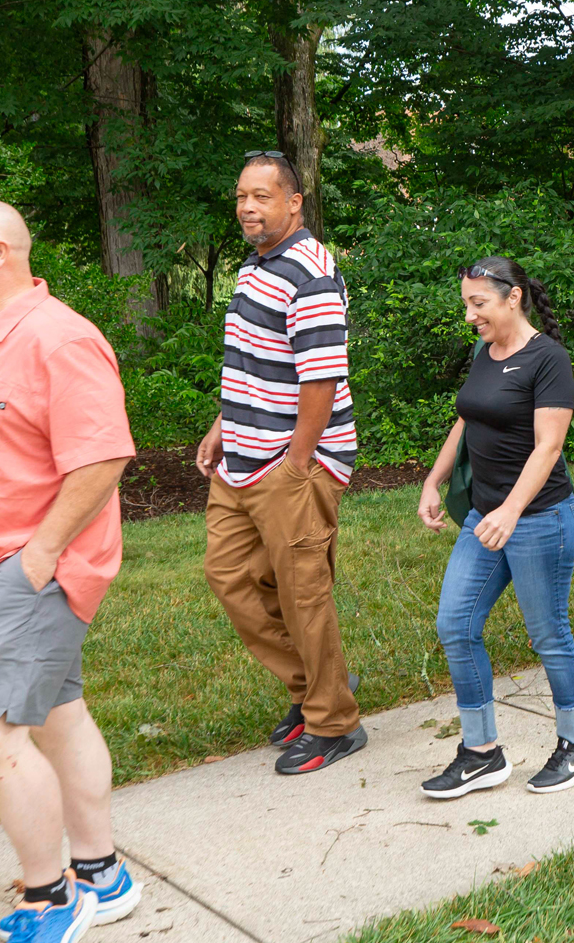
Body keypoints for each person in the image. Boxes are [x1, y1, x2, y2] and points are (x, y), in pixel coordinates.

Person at [0, 200, 140, 943]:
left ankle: (53, 898)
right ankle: (102, 872)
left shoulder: (58, 339)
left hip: (32, 566)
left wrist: (38, 559)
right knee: (56, 714)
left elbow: (103, 456)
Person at [195, 152, 365, 775]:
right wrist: (223, 425)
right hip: (241, 457)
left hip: (293, 463)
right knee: (231, 577)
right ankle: (313, 687)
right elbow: (251, 359)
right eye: (242, 196)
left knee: (302, 594)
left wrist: (296, 464)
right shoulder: (256, 264)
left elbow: (321, 379)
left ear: (294, 202)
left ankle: (333, 723)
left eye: (261, 197)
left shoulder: (310, 272)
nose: (247, 207)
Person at [417, 257, 574, 798]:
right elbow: (466, 419)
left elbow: (550, 446)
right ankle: (482, 753)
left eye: (479, 304)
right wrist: (434, 479)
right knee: (456, 625)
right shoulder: (485, 352)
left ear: (513, 297)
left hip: (540, 518)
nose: (470, 316)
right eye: (466, 304)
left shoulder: (548, 359)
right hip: (486, 517)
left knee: (548, 633)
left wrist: (512, 510)